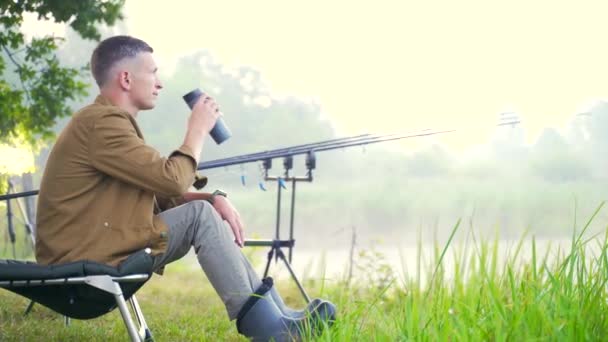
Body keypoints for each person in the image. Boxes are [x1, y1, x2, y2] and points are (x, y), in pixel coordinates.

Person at [35, 35, 335, 341]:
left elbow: (159, 191)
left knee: (205, 210)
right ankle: (272, 331)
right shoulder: (103, 123)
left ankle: (276, 316)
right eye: (152, 72)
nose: (159, 83)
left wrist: (214, 197)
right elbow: (171, 179)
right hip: (81, 260)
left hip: (91, 246)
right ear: (126, 78)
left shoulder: (107, 122)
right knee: (199, 216)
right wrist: (197, 129)